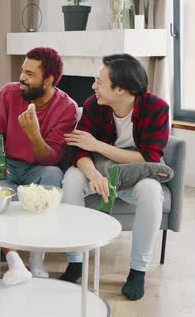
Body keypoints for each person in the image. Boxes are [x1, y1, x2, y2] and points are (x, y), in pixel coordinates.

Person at [62, 53, 170, 301]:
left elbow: (150, 158)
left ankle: (138, 270)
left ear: (120, 89)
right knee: (71, 179)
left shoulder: (157, 109)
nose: (93, 86)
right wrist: (94, 175)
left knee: (152, 191)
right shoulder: (92, 105)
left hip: (137, 173)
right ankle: (75, 261)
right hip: (100, 168)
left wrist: (98, 145)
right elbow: (79, 149)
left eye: (99, 81)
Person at [0, 47, 78, 286]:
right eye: (23, 70)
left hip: (40, 168)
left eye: (30, 74)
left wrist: (34, 134)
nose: (22, 77)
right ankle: (14, 262)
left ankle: (36, 259)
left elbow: (52, 158)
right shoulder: (9, 93)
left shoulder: (67, 108)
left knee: (53, 174)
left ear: (49, 80)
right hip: (8, 166)